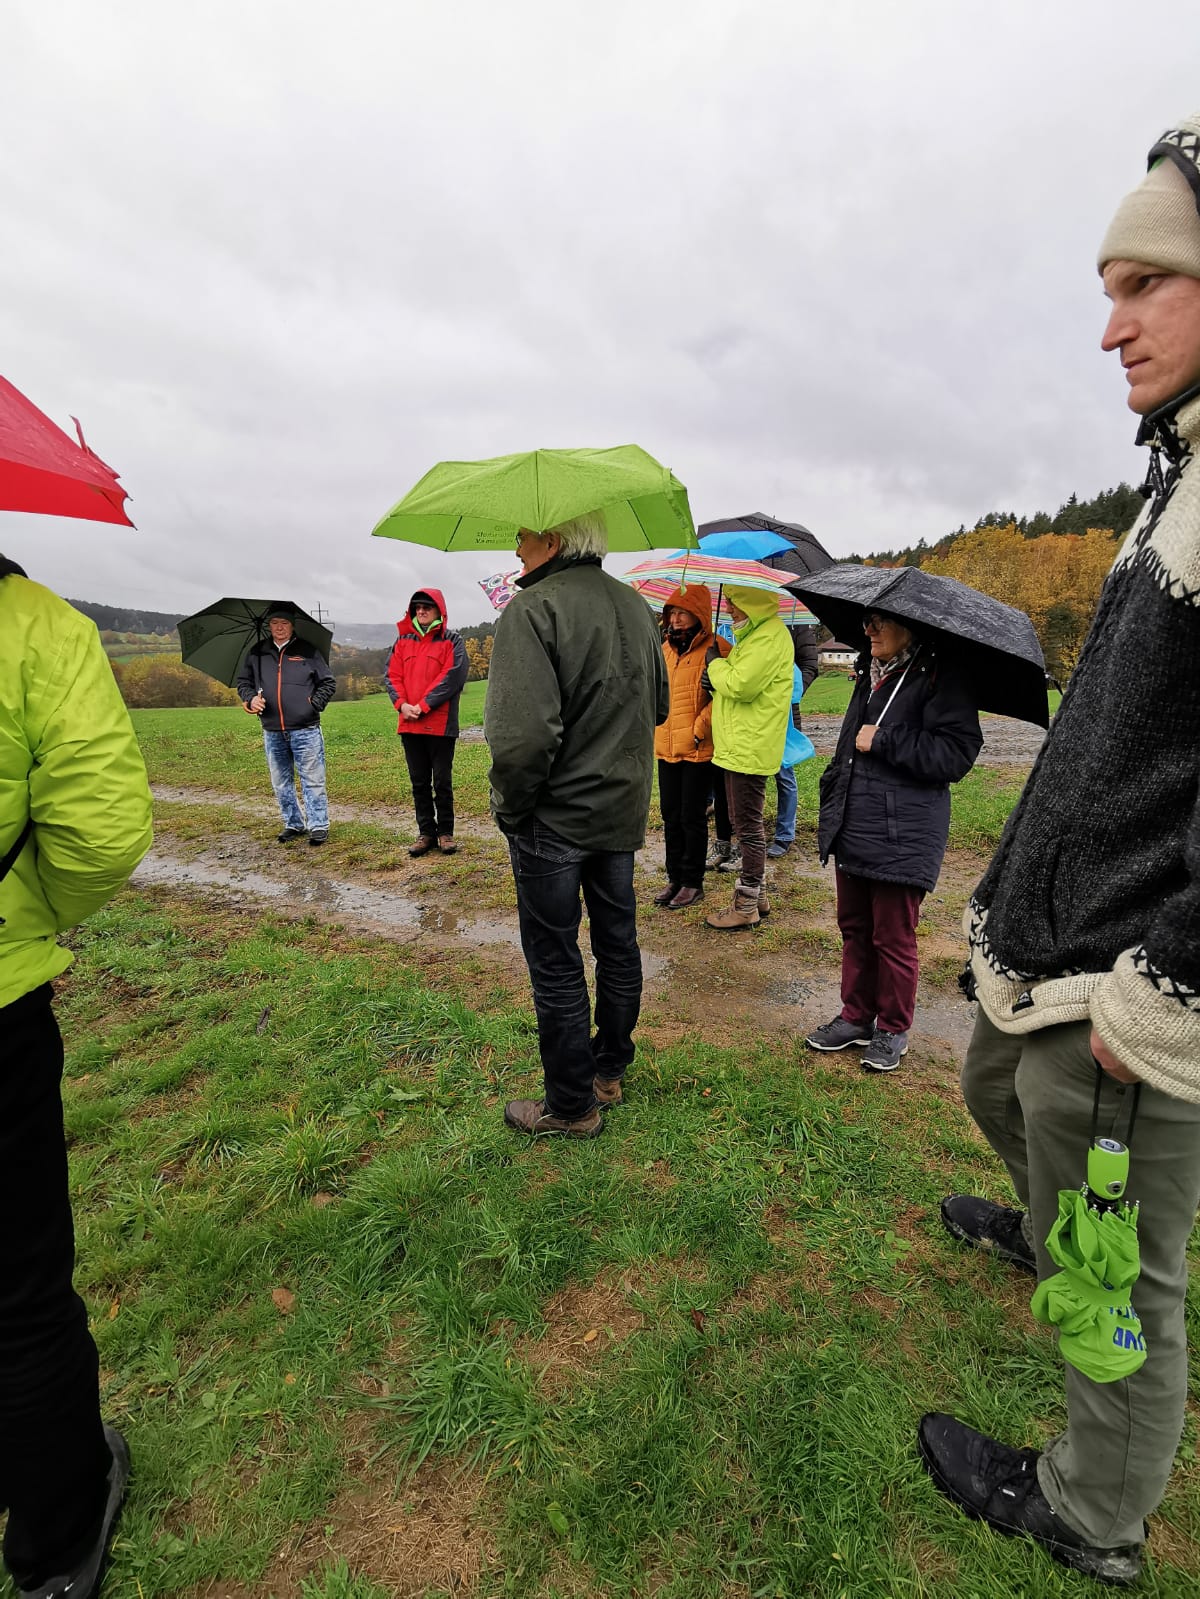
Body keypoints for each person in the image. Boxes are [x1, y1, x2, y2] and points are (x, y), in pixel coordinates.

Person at [919, 113, 1200, 1588]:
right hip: (1054, 942)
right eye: (1108, 289)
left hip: (1133, 979)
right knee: (992, 1091)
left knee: (1123, 1276)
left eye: (1147, 284)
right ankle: (1043, 1231)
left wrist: (1159, 996)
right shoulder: (1181, 478)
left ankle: (1093, 1513)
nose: (1112, 327)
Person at [0, 556, 153, 1599]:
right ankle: (56, 1538)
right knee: (17, 1285)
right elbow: (100, 832)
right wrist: (34, 916)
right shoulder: (30, 626)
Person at [484, 514, 668, 1137]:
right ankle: (607, 1071)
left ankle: (570, 1106)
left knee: (556, 960)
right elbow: (659, 706)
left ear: (553, 541)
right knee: (617, 944)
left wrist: (513, 809)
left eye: (522, 535)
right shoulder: (637, 606)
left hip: (553, 820)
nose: (516, 547)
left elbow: (520, 738)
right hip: (620, 811)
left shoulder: (531, 609)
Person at [805, 611, 981, 1072]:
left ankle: (892, 1028)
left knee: (892, 936)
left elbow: (956, 755)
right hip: (855, 820)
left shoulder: (940, 676)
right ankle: (856, 1016)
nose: (868, 629)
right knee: (854, 928)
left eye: (881, 622)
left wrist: (885, 740)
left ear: (911, 625)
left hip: (904, 830)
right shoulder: (869, 672)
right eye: (866, 620)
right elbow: (850, 747)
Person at [703, 586, 795, 930]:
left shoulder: (769, 636)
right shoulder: (755, 636)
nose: (728, 609)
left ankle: (745, 906)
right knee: (743, 823)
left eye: (734, 602)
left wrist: (715, 666)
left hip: (750, 744)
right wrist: (719, 672)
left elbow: (742, 685)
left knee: (748, 828)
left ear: (752, 602)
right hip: (739, 742)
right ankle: (759, 896)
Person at [653, 585, 730, 910]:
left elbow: (724, 697)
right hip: (665, 744)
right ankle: (674, 877)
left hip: (698, 748)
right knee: (670, 815)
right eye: (672, 612)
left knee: (691, 817)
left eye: (683, 613)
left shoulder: (718, 648)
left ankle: (692, 882)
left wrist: (700, 728)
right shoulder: (665, 649)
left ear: (699, 614)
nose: (676, 619)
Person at [236, 604, 336, 845]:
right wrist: (251, 699)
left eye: (284, 623)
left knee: (312, 779)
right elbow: (243, 682)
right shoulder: (257, 653)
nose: (279, 628)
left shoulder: (307, 651)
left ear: (292, 626)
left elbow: (328, 683)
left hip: (305, 728)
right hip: (272, 730)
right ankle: (293, 823)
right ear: (269, 626)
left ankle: (318, 825)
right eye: (274, 623)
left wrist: (313, 705)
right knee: (281, 782)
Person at [383, 588, 469, 857]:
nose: (421, 611)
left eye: (426, 607)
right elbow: (391, 676)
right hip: (409, 724)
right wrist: (401, 704)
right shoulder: (402, 641)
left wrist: (423, 705)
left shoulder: (452, 641)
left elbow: (453, 677)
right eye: (417, 607)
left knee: (442, 782)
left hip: (441, 725)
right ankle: (426, 833)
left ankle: (445, 833)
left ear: (438, 610)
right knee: (419, 782)